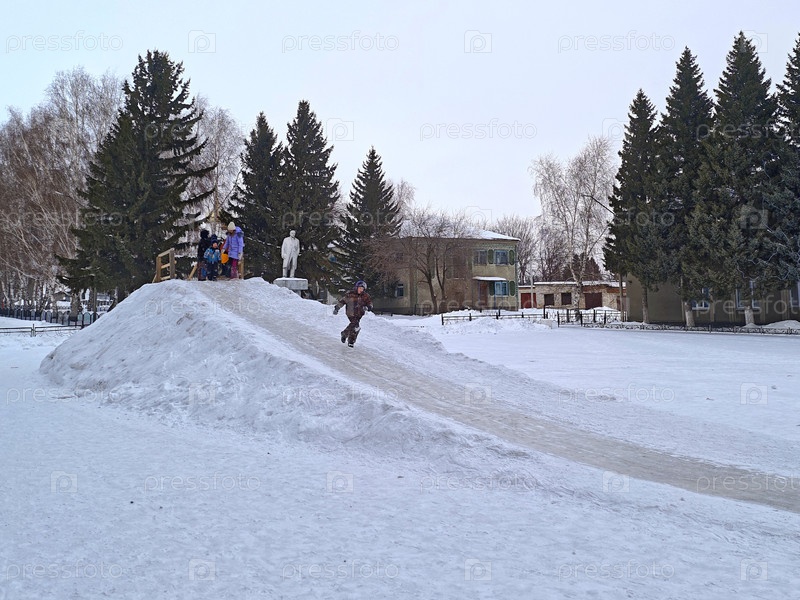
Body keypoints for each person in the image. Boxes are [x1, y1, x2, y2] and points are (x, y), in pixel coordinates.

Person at [333, 280, 373, 347]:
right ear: (356, 287)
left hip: (359, 314)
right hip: (350, 313)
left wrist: (369, 307)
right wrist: (337, 308)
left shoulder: (365, 296)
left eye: (362, 289)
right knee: (355, 325)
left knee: (355, 327)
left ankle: (347, 337)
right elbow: (342, 301)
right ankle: (349, 339)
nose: (361, 290)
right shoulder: (350, 294)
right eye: (360, 288)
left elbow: (370, 303)